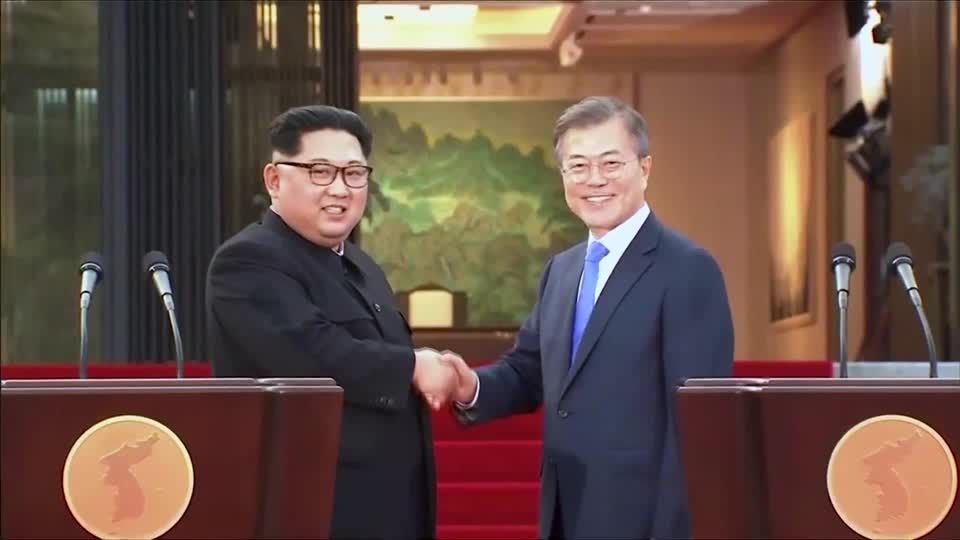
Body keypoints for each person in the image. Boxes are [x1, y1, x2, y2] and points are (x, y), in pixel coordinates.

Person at [439, 96, 735, 539]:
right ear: (563, 176)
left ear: (645, 169)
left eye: (611, 163)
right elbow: (529, 371)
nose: (594, 179)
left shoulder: (687, 269)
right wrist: (469, 386)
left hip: (641, 521)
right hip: (565, 512)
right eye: (578, 166)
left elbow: (699, 430)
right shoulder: (562, 271)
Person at [205, 104, 455, 540]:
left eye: (354, 174)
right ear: (274, 179)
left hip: (389, 506)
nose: (340, 188)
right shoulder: (247, 260)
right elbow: (313, 353)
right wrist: (414, 366)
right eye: (320, 171)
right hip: (309, 508)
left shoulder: (361, 265)